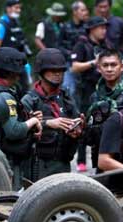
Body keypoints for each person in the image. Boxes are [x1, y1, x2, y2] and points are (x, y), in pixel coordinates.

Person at [0, 47, 43, 189]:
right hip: (7, 160)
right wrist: (33, 121)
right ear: (12, 72)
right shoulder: (5, 95)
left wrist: (27, 118)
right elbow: (14, 131)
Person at [22, 48, 83, 181]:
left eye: (60, 71)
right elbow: (18, 130)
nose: (58, 74)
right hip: (37, 165)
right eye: (53, 70)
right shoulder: (30, 100)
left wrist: (77, 130)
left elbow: (76, 123)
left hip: (63, 163)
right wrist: (47, 123)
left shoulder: (66, 97)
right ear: (42, 72)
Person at [71, 16, 110, 171]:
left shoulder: (105, 45)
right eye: (101, 27)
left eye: (105, 28)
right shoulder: (82, 44)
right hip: (86, 89)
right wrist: (94, 62)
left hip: (103, 89)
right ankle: (81, 160)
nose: (104, 31)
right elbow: (74, 67)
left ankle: (102, 158)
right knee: (85, 121)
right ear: (92, 29)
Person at [85, 48, 123, 170]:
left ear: (121, 67)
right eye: (105, 65)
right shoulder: (95, 97)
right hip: (103, 157)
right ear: (99, 68)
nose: (109, 69)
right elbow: (90, 138)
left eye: (113, 65)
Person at [58, 1, 88, 104]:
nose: (85, 12)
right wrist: (70, 54)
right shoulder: (65, 27)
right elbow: (59, 46)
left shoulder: (87, 27)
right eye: (82, 10)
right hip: (69, 64)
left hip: (84, 65)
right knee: (69, 89)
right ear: (75, 11)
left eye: (85, 10)